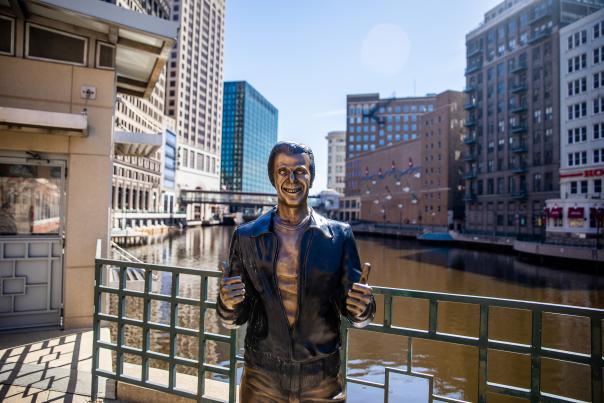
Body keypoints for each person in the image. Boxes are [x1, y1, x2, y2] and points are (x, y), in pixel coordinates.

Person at [218, 141, 375, 403]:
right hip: (262, 376)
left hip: (322, 378)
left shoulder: (339, 235)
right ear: (273, 178)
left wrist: (363, 307)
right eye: (283, 171)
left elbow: (356, 312)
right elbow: (234, 317)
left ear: (311, 177)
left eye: (300, 171)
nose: (292, 179)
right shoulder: (246, 236)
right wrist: (227, 303)